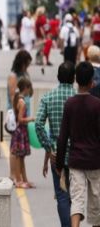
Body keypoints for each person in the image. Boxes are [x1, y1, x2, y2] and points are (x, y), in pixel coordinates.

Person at [56, 62, 100, 227]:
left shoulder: (70, 104)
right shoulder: (97, 105)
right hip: (95, 161)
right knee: (96, 202)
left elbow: (63, 137)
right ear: (91, 82)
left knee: (77, 199)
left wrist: (60, 164)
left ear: (76, 81)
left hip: (75, 160)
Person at [35, 62, 76, 226]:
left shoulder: (48, 97)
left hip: (56, 155)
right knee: (75, 195)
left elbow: (38, 124)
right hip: (76, 155)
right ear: (74, 78)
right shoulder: (77, 98)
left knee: (61, 195)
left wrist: (48, 146)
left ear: (58, 77)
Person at [7, 49, 33, 181]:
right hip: (16, 115)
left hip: (23, 113)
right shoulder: (13, 76)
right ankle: (13, 174)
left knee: (20, 149)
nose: (27, 66)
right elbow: (13, 96)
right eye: (26, 63)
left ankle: (22, 176)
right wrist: (18, 115)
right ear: (21, 63)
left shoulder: (25, 73)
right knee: (15, 148)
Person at [10, 77, 35, 189]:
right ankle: (19, 180)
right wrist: (31, 119)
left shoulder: (17, 98)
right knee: (19, 156)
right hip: (21, 130)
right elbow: (20, 119)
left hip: (18, 131)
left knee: (21, 156)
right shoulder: (22, 102)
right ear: (26, 88)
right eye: (29, 89)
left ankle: (24, 179)